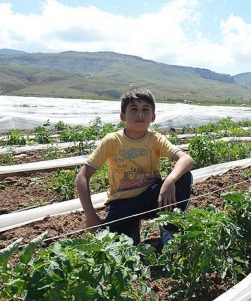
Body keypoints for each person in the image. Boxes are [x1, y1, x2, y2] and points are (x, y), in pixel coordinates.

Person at [76, 87, 194, 246]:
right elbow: (82, 177)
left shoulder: (155, 139)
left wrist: (170, 180)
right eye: (134, 109)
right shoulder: (112, 141)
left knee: (184, 177)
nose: (140, 114)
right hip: (122, 202)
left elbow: (186, 160)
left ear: (153, 117)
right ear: (123, 116)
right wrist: (91, 217)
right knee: (120, 247)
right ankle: (131, 228)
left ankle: (169, 229)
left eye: (145, 109)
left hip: (152, 197)